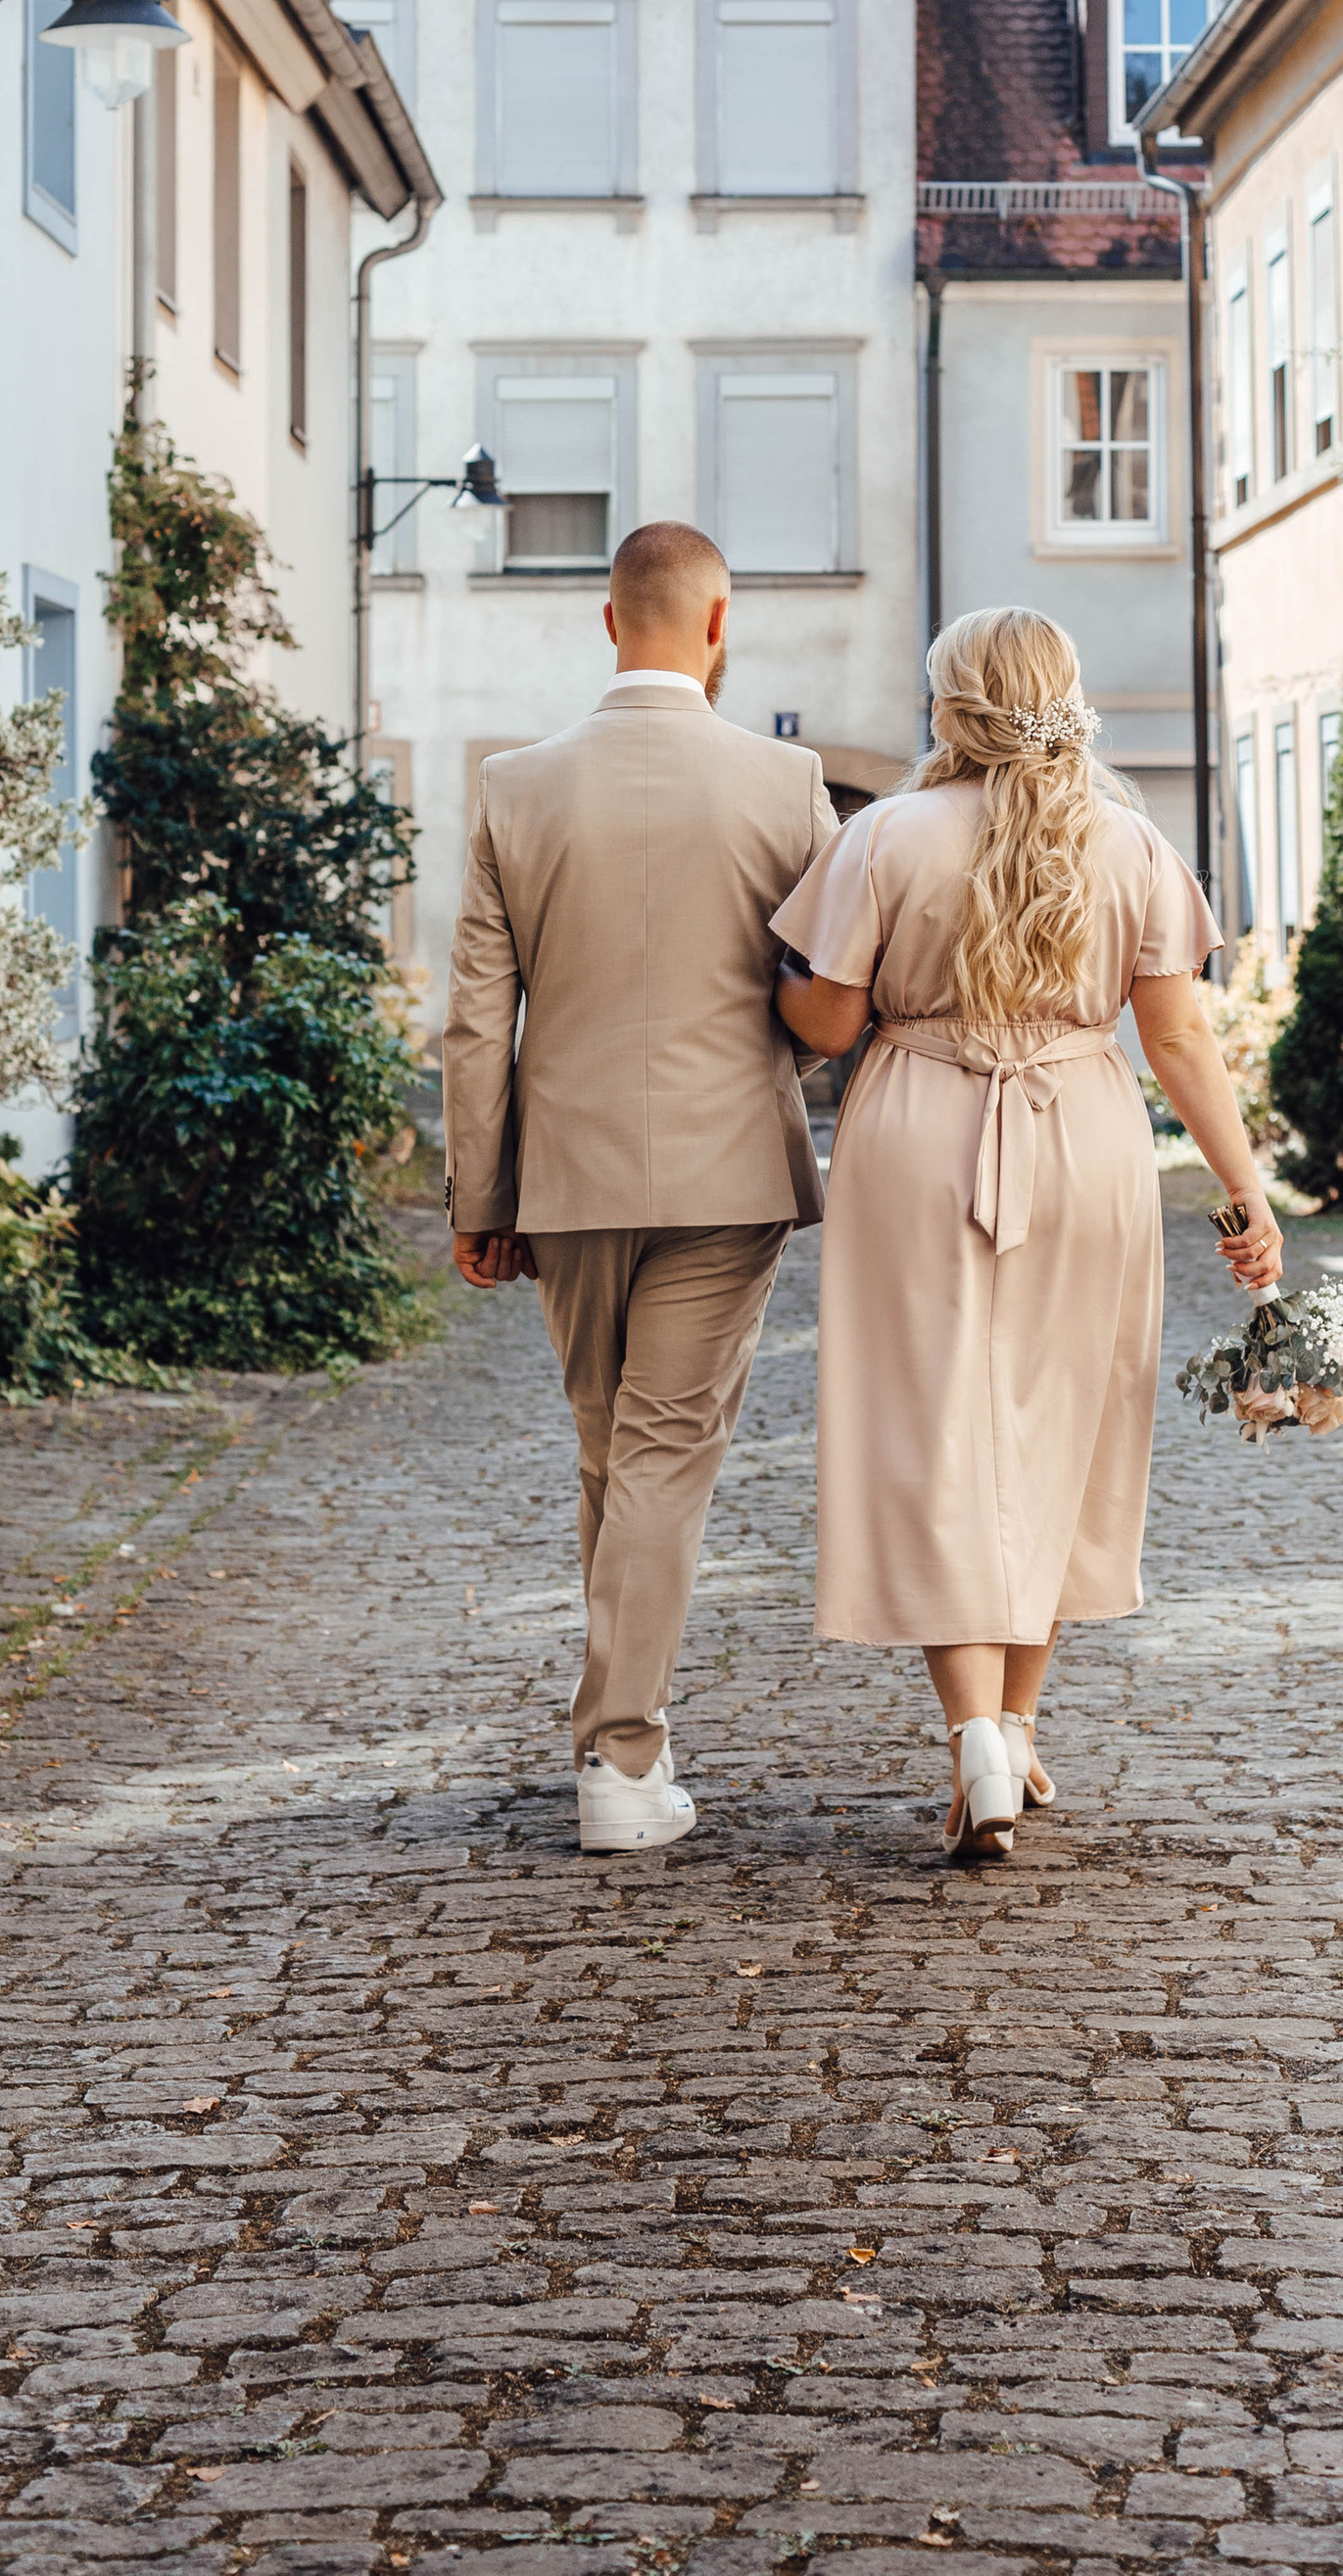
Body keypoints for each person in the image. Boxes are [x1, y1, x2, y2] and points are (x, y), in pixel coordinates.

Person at [773, 605, 1281, 1861]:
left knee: (933, 1422)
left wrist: (766, 968)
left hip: (915, 1138)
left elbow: (827, 1028)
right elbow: (1174, 1040)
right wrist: (1245, 1190)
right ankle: (1018, 1721)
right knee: (1061, 1421)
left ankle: (975, 1742)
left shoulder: (881, 836)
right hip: (1085, 1137)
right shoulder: (1130, 843)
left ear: (950, 707)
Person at [442, 521, 837, 1855]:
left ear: (610, 623)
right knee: (656, 1455)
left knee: (617, 1449)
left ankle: (621, 1740)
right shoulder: (789, 787)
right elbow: (830, 999)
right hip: (729, 1172)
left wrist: (478, 1198)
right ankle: (621, 1759)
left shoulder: (515, 787)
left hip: (567, 1172)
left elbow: (473, 1021)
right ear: (718, 625)